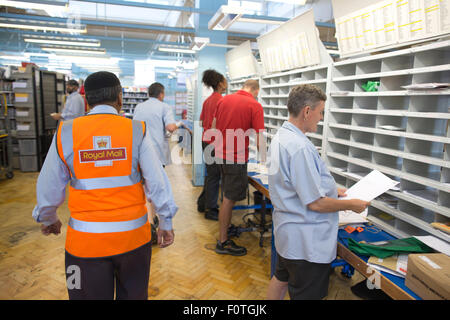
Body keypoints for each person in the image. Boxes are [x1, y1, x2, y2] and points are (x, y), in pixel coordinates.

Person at [32, 71, 178, 300]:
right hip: (133, 242)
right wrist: (165, 221)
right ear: (119, 98)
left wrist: (48, 218)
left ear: (87, 101)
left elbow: (48, 186)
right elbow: (157, 181)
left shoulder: (65, 132)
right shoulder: (136, 130)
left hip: (83, 246)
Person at [266, 84, 370, 300]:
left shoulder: (282, 137)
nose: (321, 117)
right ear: (306, 111)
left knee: (280, 279)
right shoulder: (300, 147)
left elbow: (295, 182)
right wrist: (352, 205)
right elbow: (315, 203)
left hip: (287, 234)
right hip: (305, 242)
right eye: (320, 112)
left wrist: (332, 190)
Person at [212, 79, 265, 256]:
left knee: (226, 195)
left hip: (220, 154)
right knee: (229, 199)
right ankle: (223, 242)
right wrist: (266, 162)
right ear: (255, 90)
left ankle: (224, 231)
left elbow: (213, 127)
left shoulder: (223, 100)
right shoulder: (254, 105)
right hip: (235, 158)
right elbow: (259, 137)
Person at [196, 69, 228, 221]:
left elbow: (202, 122)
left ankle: (202, 203)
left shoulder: (207, 101)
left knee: (211, 174)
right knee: (215, 176)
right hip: (215, 143)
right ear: (221, 84)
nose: (227, 83)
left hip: (206, 140)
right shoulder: (221, 101)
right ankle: (211, 210)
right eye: (225, 80)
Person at [133, 82, 180, 167]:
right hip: (157, 152)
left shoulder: (139, 107)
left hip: (140, 151)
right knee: (157, 178)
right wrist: (179, 124)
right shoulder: (164, 107)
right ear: (161, 94)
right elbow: (171, 128)